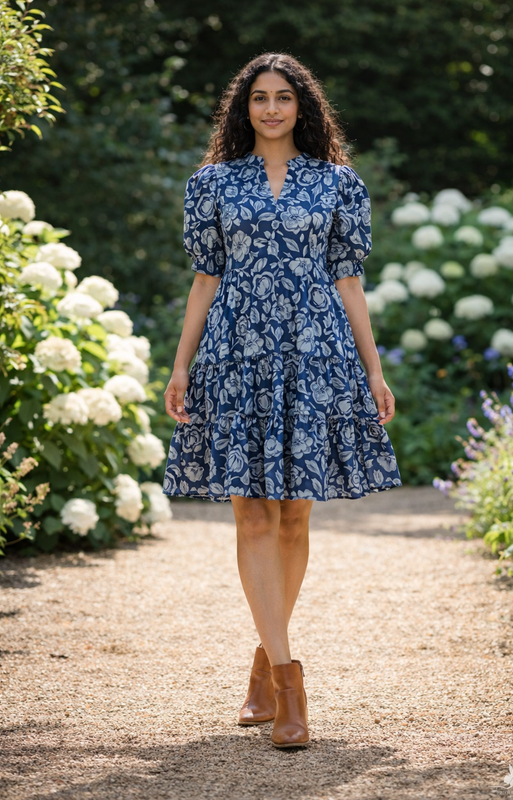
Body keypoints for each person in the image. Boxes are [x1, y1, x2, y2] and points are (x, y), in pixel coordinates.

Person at [163, 52, 402, 749]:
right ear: (244, 108)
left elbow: (349, 284)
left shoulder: (336, 183)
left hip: (314, 354)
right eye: (258, 98)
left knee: (294, 516)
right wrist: (181, 368)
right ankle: (290, 682)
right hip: (235, 354)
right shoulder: (211, 184)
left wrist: (374, 374)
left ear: (303, 107)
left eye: (283, 97)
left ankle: (262, 662)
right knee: (253, 513)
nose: (270, 108)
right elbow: (204, 281)